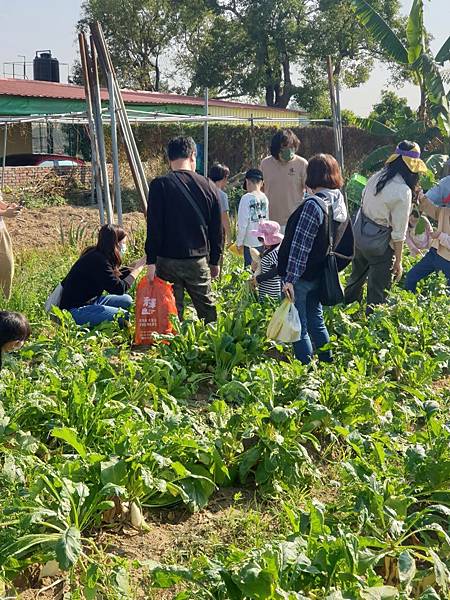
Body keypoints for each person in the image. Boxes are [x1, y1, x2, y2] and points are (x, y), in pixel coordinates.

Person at [145, 136, 223, 323]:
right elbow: (217, 229)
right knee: (207, 310)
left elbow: (154, 227)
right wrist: (215, 261)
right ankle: (213, 346)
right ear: (193, 155)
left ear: (169, 158)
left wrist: (151, 261)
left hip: (167, 260)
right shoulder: (209, 186)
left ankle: (172, 347)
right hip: (197, 260)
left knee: (171, 310)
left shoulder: (159, 185)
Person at [344, 141, 427, 310]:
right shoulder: (403, 191)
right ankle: (372, 326)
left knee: (355, 280)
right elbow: (398, 232)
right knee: (378, 292)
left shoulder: (377, 176)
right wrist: (398, 261)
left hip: (359, 236)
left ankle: (345, 313)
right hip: (378, 245)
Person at [283, 154, 348, 365]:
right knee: (316, 321)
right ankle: (328, 364)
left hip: (303, 276)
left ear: (311, 175)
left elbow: (300, 246)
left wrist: (290, 279)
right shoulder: (339, 203)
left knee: (299, 326)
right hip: (322, 273)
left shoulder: (314, 205)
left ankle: (306, 371)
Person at [59, 224, 145, 326]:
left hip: (92, 301)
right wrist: (138, 269)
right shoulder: (98, 260)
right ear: (115, 243)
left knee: (127, 300)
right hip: (75, 310)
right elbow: (119, 288)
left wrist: (138, 263)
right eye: (123, 243)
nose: (124, 247)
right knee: (123, 317)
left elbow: (113, 278)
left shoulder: (99, 254)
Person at [405, 175, 450, 292]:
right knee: (411, 278)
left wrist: (440, 236)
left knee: (445, 295)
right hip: (434, 253)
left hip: (447, 260)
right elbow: (434, 211)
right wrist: (421, 196)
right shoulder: (445, 209)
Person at [260, 129, 308, 231]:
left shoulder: (302, 164)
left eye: (290, 147)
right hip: (270, 221)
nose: (288, 151)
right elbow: (260, 189)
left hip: (294, 221)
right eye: (283, 148)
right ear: (276, 150)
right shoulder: (265, 164)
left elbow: (310, 190)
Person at [236, 168, 269, 267]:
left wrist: (239, 242)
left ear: (247, 182)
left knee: (249, 271)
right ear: (262, 183)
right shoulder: (264, 198)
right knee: (260, 269)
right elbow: (267, 220)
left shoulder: (245, 198)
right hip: (262, 241)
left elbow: (243, 223)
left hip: (249, 242)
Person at [250, 221, 283, 301]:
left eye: (261, 239)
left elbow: (276, 271)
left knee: (270, 310)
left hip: (272, 293)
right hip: (265, 291)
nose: (261, 242)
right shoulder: (267, 250)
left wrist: (258, 279)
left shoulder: (274, 253)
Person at [0, 191, 22, 300]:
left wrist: (8, 207)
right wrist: (4, 213)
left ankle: (4, 308)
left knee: (7, 268)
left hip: (1, 230)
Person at [209, 163, 231, 243]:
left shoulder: (205, 190)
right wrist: (229, 236)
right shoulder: (221, 195)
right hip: (217, 233)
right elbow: (224, 217)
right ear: (224, 178)